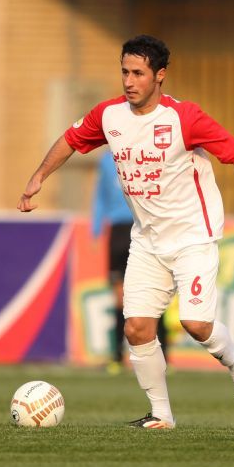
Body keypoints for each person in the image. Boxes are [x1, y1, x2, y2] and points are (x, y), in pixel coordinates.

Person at [18, 34, 234, 428]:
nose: (129, 81)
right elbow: (70, 140)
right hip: (147, 240)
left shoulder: (185, 117)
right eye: (125, 72)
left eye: (138, 73)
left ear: (160, 75)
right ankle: (161, 415)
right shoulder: (109, 115)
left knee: (196, 325)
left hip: (194, 237)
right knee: (136, 328)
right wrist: (38, 177)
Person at [91, 150, 168, 374]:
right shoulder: (143, 150)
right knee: (144, 292)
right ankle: (157, 357)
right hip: (137, 227)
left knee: (140, 292)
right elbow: (102, 195)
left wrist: (96, 228)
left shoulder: (110, 158)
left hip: (137, 227)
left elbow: (101, 195)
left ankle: (119, 358)